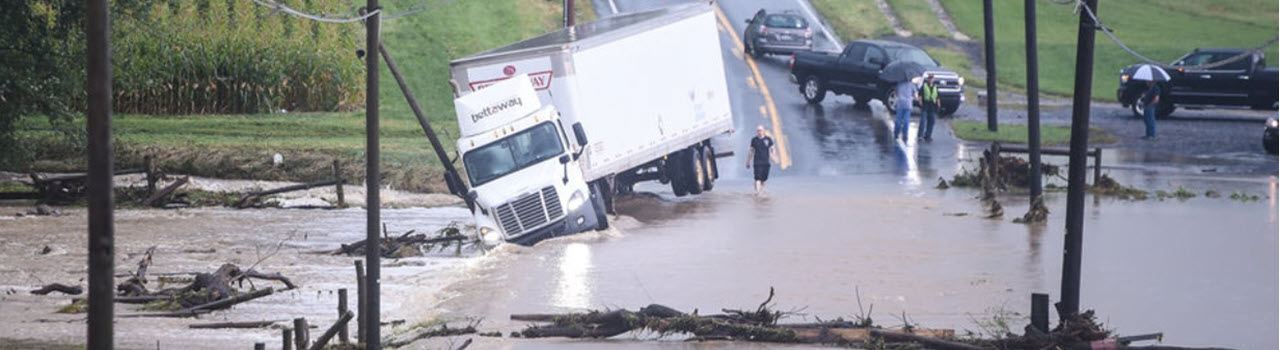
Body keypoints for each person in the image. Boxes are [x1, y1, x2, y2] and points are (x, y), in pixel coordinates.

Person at [746, 125, 778, 196]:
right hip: (757, 162)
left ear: (763, 131)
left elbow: (772, 148)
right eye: (758, 130)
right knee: (758, 178)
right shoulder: (754, 140)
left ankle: (759, 190)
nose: (759, 132)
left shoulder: (768, 139)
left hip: (766, 162)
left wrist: (774, 158)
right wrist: (748, 162)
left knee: (764, 179)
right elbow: (751, 151)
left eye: (760, 130)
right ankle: (758, 193)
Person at [918, 74, 940, 141]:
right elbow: (920, 95)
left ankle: (928, 135)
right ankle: (920, 135)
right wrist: (920, 102)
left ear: (933, 79)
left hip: (932, 106)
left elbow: (937, 97)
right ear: (928, 79)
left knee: (931, 121)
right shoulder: (924, 86)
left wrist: (939, 104)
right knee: (923, 121)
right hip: (925, 105)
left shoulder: (935, 87)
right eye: (930, 78)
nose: (931, 80)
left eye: (932, 78)